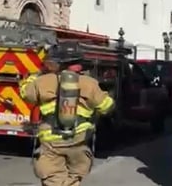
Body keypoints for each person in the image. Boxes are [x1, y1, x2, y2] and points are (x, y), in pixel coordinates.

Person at [19, 43, 115, 186]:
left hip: (52, 141)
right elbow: (107, 106)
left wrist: (35, 76)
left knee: (53, 178)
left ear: (59, 63)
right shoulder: (90, 83)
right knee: (74, 178)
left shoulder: (44, 81)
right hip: (79, 140)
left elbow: (25, 93)